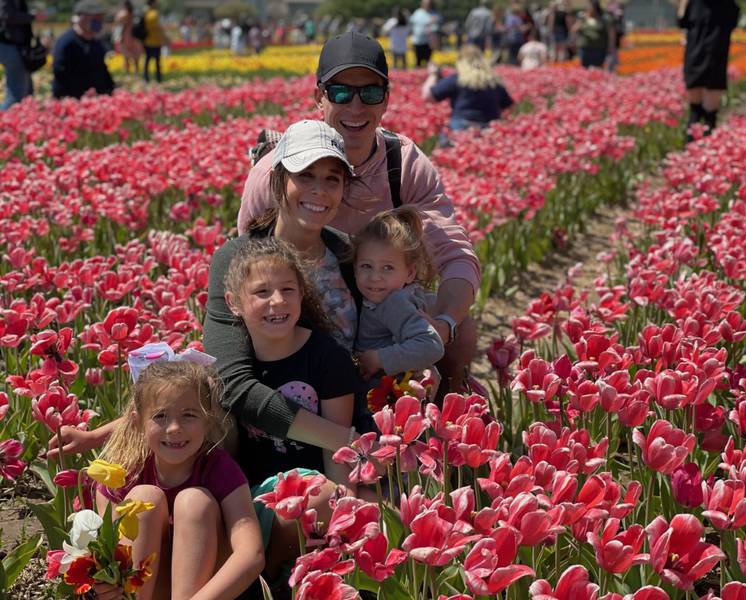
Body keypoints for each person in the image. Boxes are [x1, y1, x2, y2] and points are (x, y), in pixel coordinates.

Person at [238, 32, 480, 398]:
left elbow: (455, 255)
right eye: (339, 92)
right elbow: (246, 265)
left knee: (465, 331)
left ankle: (446, 422)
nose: (355, 106)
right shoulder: (274, 174)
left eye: (369, 92)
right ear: (318, 96)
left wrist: (444, 325)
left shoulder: (404, 164)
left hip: (380, 300)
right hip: (302, 306)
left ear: (385, 100)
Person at [222, 236, 358, 581]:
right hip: (251, 495)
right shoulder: (235, 363)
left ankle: (265, 580)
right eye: (262, 292)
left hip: (312, 490)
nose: (277, 301)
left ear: (302, 294)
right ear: (233, 303)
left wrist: (345, 509)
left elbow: (337, 446)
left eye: (288, 289)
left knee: (327, 498)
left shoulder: (328, 358)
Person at [93, 352, 264, 600]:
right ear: (137, 422)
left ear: (207, 421)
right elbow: (102, 551)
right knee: (143, 499)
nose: (174, 428)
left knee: (194, 502)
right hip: (144, 591)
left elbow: (251, 554)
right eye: (160, 416)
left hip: (204, 594)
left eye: (189, 415)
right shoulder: (123, 473)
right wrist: (103, 585)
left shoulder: (220, 470)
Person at [352, 207, 444, 388]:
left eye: (387, 268)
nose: (375, 277)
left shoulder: (393, 302)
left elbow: (431, 345)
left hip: (391, 393)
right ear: (354, 268)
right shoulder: (398, 295)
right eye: (366, 266)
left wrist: (379, 359)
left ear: (410, 273)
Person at [678, 0, 740, 137]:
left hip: (713, 51)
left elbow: (682, 19)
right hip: (700, 51)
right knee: (696, 110)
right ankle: (697, 143)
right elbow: (682, 20)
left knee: (707, 112)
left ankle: (703, 141)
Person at [422, 43, 514, 131]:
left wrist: (433, 74)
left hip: (461, 126)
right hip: (489, 127)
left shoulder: (458, 79)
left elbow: (428, 96)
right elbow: (508, 106)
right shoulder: (493, 81)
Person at [51, 0, 115, 100]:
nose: (99, 21)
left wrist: (110, 89)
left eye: (100, 18)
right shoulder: (67, 42)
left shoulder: (96, 43)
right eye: (95, 18)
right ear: (82, 18)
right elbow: (60, 72)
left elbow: (101, 69)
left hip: (93, 100)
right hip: (71, 100)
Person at [0, 0, 34, 111]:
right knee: (16, 96)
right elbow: (7, 15)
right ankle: (4, 123)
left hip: (14, 46)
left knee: (26, 93)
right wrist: (32, 16)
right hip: (10, 45)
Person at [572, 0, 615, 69]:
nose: (588, 9)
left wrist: (611, 46)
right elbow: (574, 30)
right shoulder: (583, 19)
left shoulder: (604, 19)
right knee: (585, 68)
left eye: (590, 7)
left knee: (598, 68)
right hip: (585, 48)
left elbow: (611, 34)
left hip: (599, 48)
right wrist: (582, 19)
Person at [113, 0, 141, 74]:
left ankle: (127, 72)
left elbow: (118, 23)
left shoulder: (123, 14)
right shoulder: (132, 14)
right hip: (134, 36)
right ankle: (136, 72)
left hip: (126, 36)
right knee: (135, 55)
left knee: (126, 55)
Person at [142, 0, 167, 83]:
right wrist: (164, 39)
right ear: (152, 3)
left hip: (146, 40)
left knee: (147, 60)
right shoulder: (155, 14)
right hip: (155, 41)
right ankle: (158, 78)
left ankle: (145, 78)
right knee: (157, 61)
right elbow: (158, 28)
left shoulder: (145, 12)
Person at [409, 0, 437, 67]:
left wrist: (432, 28)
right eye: (425, 3)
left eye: (429, 4)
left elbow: (436, 26)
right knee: (418, 61)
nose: (427, 5)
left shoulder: (434, 14)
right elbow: (411, 23)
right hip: (417, 41)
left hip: (428, 42)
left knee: (428, 61)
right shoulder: (417, 12)